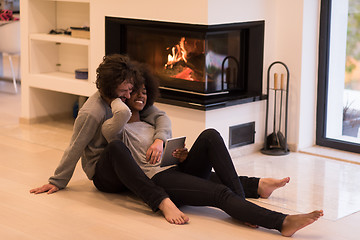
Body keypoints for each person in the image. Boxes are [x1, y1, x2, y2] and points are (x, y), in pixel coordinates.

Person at [101, 63, 324, 237]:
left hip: (176, 169)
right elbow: (118, 129)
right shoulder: (118, 126)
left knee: (211, 135)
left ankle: (244, 204)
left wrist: (181, 155)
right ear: (123, 96)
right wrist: (116, 100)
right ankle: (281, 222)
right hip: (161, 179)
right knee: (219, 193)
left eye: (144, 92)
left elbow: (161, 118)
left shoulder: (151, 122)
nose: (141, 96)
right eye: (134, 92)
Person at [29, 54, 189, 225]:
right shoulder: (92, 112)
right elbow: (75, 147)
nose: (129, 95)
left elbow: (159, 116)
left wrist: (160, 140)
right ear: (110, 89)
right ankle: (160, 201)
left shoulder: (125, 97)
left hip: (126, 166)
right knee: (116, 147)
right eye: (124, 91)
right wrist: (57, 181)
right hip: (104, 172)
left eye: (130, 89)